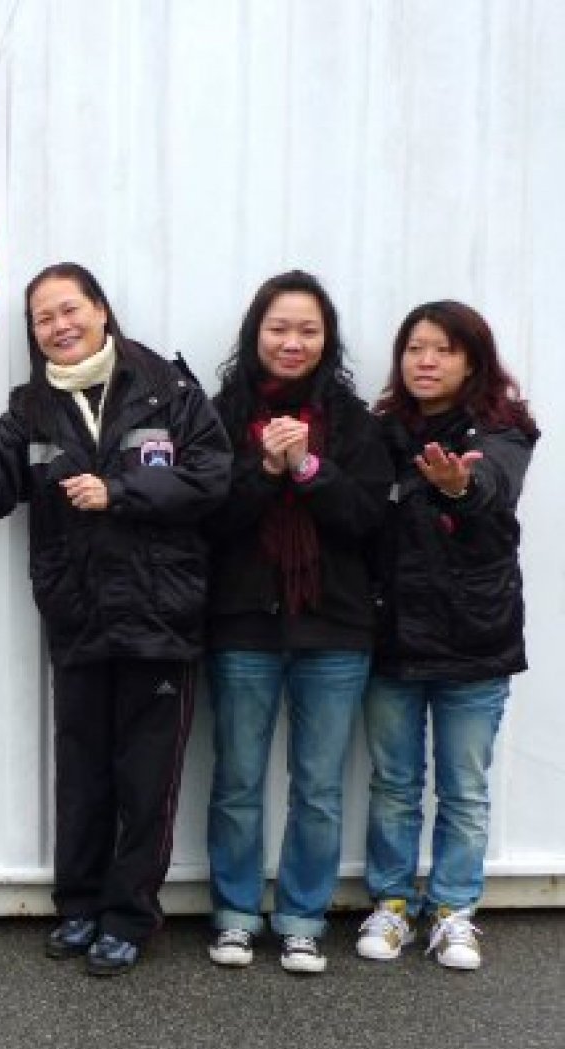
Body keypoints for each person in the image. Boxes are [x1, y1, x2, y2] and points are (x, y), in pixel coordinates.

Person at [0, 262, 231, 976]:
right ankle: (79, 906)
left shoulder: (170, 390)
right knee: (82, 775)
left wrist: (120, 491)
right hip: (78, 618)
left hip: (161, 619)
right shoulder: (32, 409)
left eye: (70, 309)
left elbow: (212, 478)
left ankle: (129, 915)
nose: (60, 326)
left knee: (147, 780)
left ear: (101, 310)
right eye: (44, 318)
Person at [201, 272, 391, 973]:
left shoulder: (354, 421)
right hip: (244, 624)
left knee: (318, 787)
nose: (292, 342)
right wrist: (264, 467)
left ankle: (303, 918)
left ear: (327, 339)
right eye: (279, 327)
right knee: (238, 781)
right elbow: (209, 518)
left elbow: (367, 519)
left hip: (334, 628)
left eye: (308, 330)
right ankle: (234, 914)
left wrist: (308, 466)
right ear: (256, 333)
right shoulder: (220, 415)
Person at [356, 301, 538, 971]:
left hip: (475, 640)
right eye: (415, 349)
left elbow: (492, 483)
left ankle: (454, 910)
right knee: (394, 784)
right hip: (392, 638)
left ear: (472, 361)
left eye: (443, 349)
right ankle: (392, 904)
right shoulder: (379, 431)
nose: (425, 361)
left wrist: (460, 488)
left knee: (464, 788)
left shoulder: (503, 431)